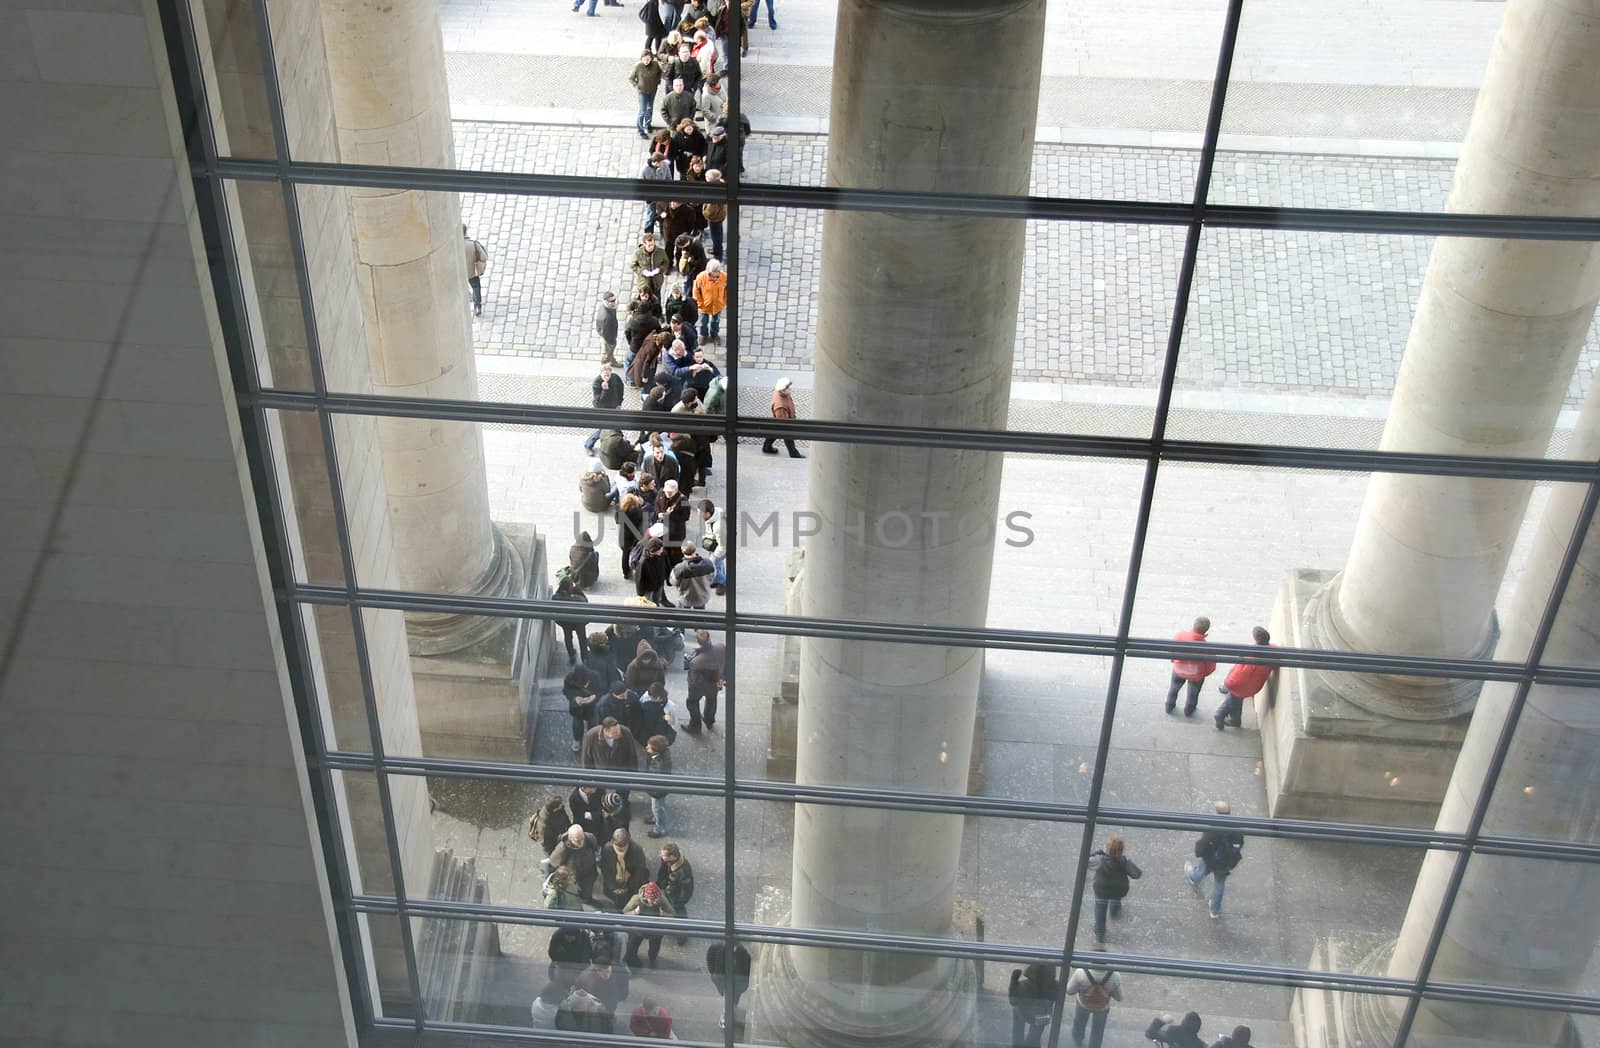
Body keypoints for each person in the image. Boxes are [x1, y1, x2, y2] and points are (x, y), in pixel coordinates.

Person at [1185, 801, 1245, 918]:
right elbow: (1240, 843)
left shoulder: (1213, 828)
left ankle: (1193, 878)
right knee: (1219, 884)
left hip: (1211, 859)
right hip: (1225, 863)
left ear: (1217, 812)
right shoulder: (1236, 827)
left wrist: (1199, 853)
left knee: (1200, 871)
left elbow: (1202, 845)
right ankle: (1214, 910)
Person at [1215, 626, 1274, 731]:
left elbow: (1237, 679)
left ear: (1256, 640)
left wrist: (1227, 684)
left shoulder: (1251, 659)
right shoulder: (1272, 650)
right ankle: (1235, 720)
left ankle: (1221, 715)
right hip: (1252, 685)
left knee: (1233, 698)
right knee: (1236, 700)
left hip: (1241, 686)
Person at [1065, 947, 1123, 1048]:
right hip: (1102, 1007)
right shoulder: (1114, 975)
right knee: (1098, 1030)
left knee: (1079, 1023)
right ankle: (1094, 1045)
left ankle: (1077, 1040)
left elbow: (1069, 991)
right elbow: (1119, 998)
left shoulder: (1081, 972)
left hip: (1083, 1004)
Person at [1089, 834, 1142, 943]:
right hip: (1119, 889)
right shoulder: (1123, 861)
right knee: (1116, 899)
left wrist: (1098, 852)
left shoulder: (1100, 860)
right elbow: (1137, 874)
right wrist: (1128, 861)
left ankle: (1100, 933)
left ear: (1106, 849)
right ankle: (1114, 911)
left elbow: (1086, 860)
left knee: (1100, 908)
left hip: (1101, 889)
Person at [1166, 615, 1216, 716]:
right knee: (1193, 693)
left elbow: (1171, 651)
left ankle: (1169, 706)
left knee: (1174, 688)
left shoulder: (1180, 636)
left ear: (1193, 626)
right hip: (1196, 674)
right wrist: (1203, 674)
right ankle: (1189, 710)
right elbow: (1211, 666)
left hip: (1179, 670)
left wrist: (1174, 661)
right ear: (1206, 633)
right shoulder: (1206, 646)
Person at [621, 880, 676, 967]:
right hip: (638, 929)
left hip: (655, 930)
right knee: (632, 946)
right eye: (651, 899)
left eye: (655, 899)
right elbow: (625, 912)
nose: (653, 902)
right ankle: (632, 959)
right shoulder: (636, 899)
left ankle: (652, 958)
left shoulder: (661, 899)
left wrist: (662, 914)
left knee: (654, 948)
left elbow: (672, 914)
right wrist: (635, 912)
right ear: (645, 896)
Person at [1008, 962, 1057, 1048]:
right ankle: (1033, 1043)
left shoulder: (1023, 986)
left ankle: (1017, 1043)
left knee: (1016, 1013)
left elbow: (1012, 1001)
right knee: (1035, 1035)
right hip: (1043, 1016)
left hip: (1024, 1014)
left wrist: (1013, 983)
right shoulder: (1056, 986)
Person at [684, 628, 725, 732]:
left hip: (699, 687)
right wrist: (723, 678)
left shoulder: (696, 661)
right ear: (709, 637)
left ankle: (695, 725)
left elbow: (692, 680)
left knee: (692, 702)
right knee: (711, 701)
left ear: (698, 641)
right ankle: (709, 720)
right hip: (715, 682)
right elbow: (727, 663)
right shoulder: (721, 648)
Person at [705, 939, 751, 1030]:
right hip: (727, 982)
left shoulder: (743, 954)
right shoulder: (717, 950)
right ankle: (728, 1014)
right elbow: (712, 964)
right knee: (730, 999)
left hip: (736, 984)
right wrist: (718, 982)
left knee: (733, 999)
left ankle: (729, 1013)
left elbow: (745, 973)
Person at [601, 827, 650, 911]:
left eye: (623, 849)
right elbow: (605, 869)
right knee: (617, 902)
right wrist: (613, 887)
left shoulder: (636, 850)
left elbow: (639, 872)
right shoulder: (607, 849)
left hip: (631, 885)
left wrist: (627, 888)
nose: (621, 852)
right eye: (618, 849)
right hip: (615, 885)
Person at [546, 822, 600, 899]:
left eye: (582, 838)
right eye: (577, 840)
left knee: (587, 892)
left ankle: (587, 899)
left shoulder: (590, 838)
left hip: (589, 873)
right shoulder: (562, 849)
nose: (581, 842)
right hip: (574, 876)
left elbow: (595, 848)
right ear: (570, 839)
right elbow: (553, 865)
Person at [654, 841, 694, 940]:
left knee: (679, 913)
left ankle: (682, 935)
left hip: (678, 895)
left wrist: (680, 901)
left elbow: (686, 889)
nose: (661, 856)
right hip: (669, 889)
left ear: (672, 857)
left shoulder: (683, 870)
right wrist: (659, 883)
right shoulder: (666, 860)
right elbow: (662, 871)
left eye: (664, 855)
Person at [585, 362, 626, 454]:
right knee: (603, 428)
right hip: (602, 409)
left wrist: (619, 402)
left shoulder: (615, 377)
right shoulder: (597, 382)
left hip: (614, 407)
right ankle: (588, 445)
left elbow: (620, 389)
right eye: (605, 375)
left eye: (609, 375)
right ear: (601, 374)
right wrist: (605, 389)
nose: (607, 377)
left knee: (615, 427)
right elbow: (599, 400)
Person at [552, 580, 591, 666]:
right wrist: (579, 591)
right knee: (582, 638)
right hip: (579, 621)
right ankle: (584, 657)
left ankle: (571, 656)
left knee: (568, 637)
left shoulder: (556, 597)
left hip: (565, 621)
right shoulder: (578, 598)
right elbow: (585, 602)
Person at [762, 376, 803, 456]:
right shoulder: (780, 406)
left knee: (774, 432)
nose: (790, 389)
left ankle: (766, 447)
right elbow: (784, 426)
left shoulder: (780, 392)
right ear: (783, 390)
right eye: (788, 388)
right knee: (786, 434)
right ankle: (793, 453)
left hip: (778, 420)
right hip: (783, 421)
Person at [629, 52, 666, 139]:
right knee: (642, 111)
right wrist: (636, 85)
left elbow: (661, 73)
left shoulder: (655, 65)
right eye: (644, 59)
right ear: (641, 59)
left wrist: (658, 81)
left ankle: (648, 123)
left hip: (652, 90)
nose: (646, 61)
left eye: (648, 59)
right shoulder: (638, 66)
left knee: (650, 108)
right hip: (642, 91)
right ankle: (640, 130)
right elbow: (631, 78)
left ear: (651, 58)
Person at [643, 733, 673, 837]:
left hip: (657, 791)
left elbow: (653, 777)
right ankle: (655, 819)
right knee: (657, 807)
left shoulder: (659, 765)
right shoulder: (661, 757)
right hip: (657, 790)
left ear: (656, 750)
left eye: (649, 747)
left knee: (658, 809)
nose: (646, 748)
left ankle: (659, 829)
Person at [671, 541, 716, 609]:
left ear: (682, 551)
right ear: (695, 550)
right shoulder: (708, 564)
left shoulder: (679, 568)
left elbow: (673, 582)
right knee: (700, 615)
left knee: (684, 615)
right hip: (702, 597)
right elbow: (712, 577)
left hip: (685, 598)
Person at [692, 258, 727, 342]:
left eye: (718, 271)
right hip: (704, 306)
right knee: (703, 323)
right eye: (715, 272)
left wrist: (725, 301)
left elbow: (728, 290)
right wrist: (700, 303)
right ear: (710, 271)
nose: (718, 274)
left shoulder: (724, 277)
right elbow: (696, 291)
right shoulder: (701, 277)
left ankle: (714, 335)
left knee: (716, 322)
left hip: (718, 305)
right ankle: (703, 335)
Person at [617, 492, 647, 579]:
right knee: (636, 553)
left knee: (625, 554)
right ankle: (636, 568)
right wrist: (642, 505)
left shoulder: (620, 511)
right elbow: (642, 519)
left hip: (623, 536)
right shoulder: (637, 512)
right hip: (634, 536)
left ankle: (625, 573)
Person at [462, 224, 487, 316]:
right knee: (476, 287)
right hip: (472, 272)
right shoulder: (474, 244)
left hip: (460, 274)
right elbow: (484, 257)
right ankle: (477, 307)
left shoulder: (454, 246)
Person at [701, 168, 726, 259]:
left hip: (715, 217)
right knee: (718, 232)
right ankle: (716, 249)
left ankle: (718, 255)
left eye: (707, 177)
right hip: (721, 214)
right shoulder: (721, 184)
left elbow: (710, 211)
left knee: (716, 236)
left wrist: (704, 211)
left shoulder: (713, 190)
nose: (705, 177)